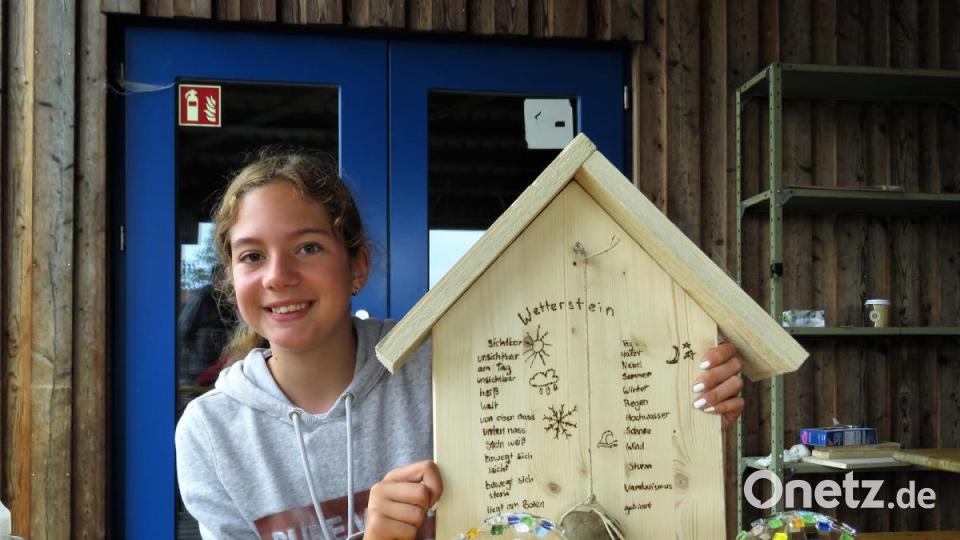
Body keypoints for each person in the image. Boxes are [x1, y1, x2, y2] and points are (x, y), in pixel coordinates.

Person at [175, 149, 746, 540]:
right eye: (252, 256)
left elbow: (584, 429)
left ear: (357, 267)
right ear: (229, 280)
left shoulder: (446, 362)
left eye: (307, 248)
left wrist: (682, 405)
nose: (278, 276)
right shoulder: (212, 433)